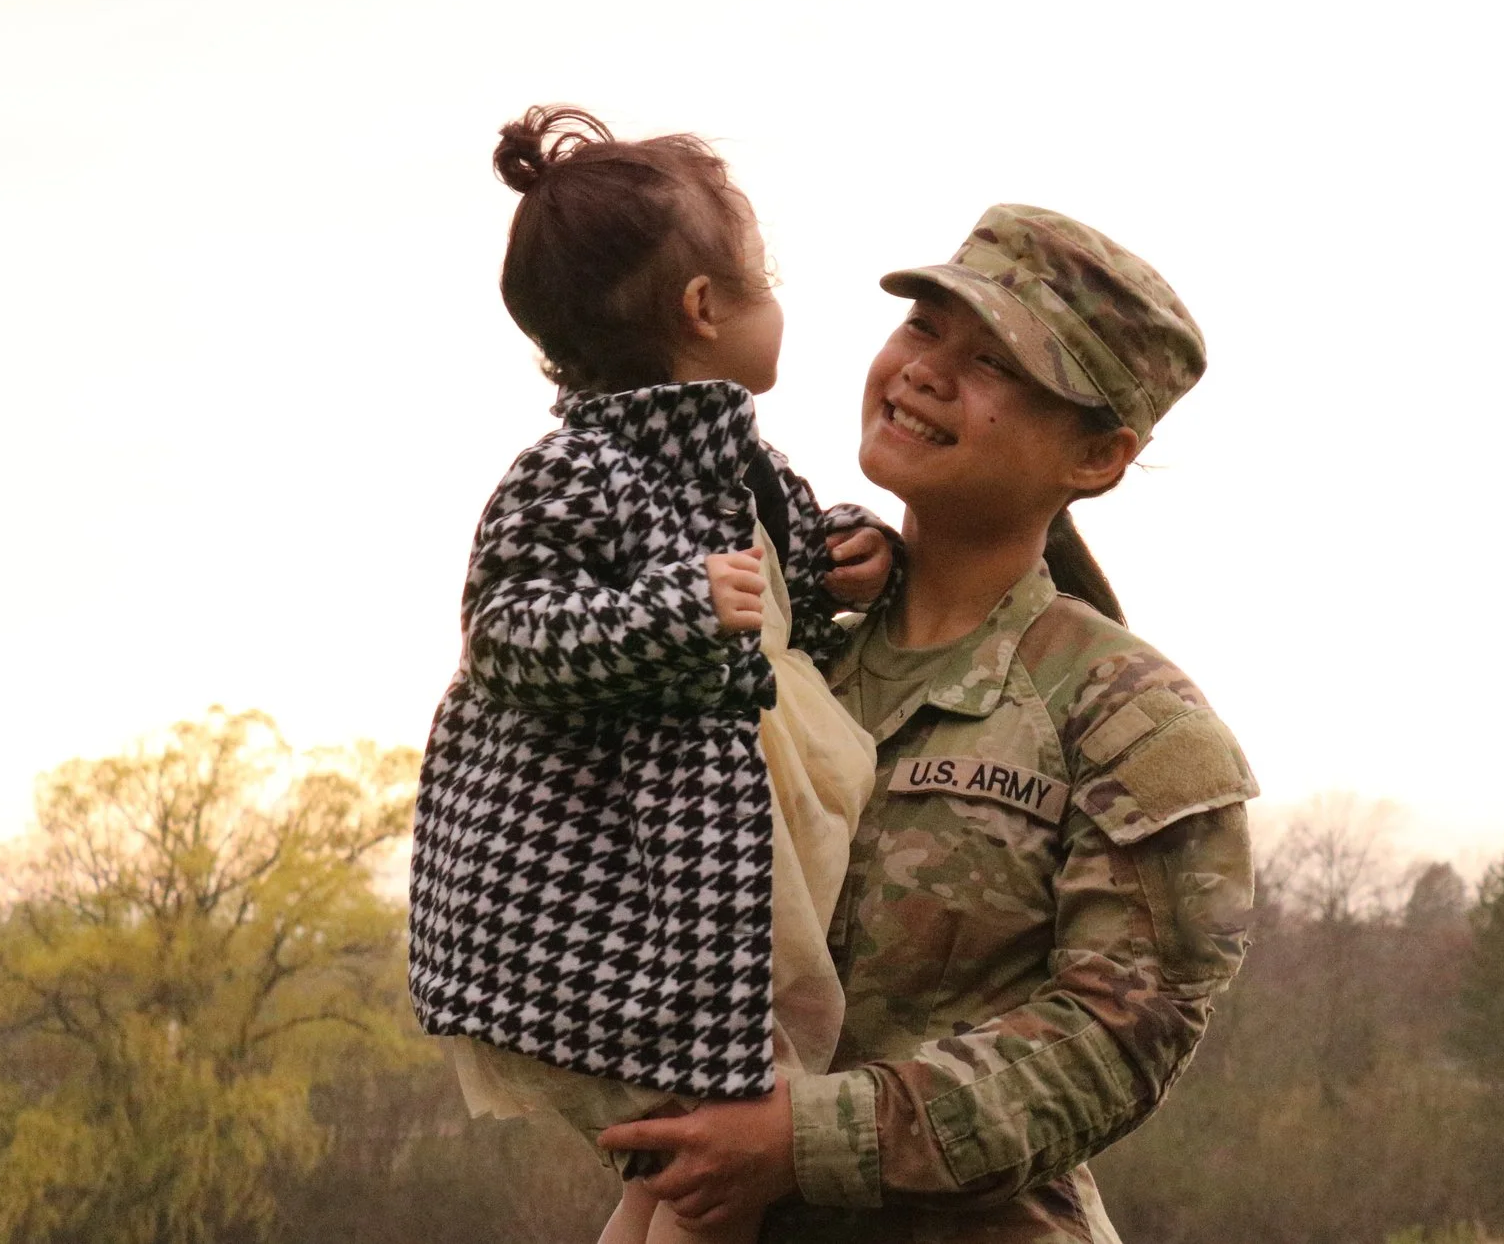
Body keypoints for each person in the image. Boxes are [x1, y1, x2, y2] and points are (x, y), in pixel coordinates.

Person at [600, 204, 1260, 1243]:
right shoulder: (776, 650)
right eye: (921, 327)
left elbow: (1114, 1037)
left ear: (1096, 455)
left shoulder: (1127, 715)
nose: (923, 371)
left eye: (994, 363)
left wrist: (801, 1138)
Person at [406, 105, 898, 1244]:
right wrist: (671, 612)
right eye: (762, 274)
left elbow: (777, 589)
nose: (779, 298)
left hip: (727, 846)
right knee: (721, 1131)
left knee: (679, 1147)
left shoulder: (738, 460)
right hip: (643, 874)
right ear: (703, 309)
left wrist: (842, 554)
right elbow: (511, 632)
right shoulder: (577, 466)